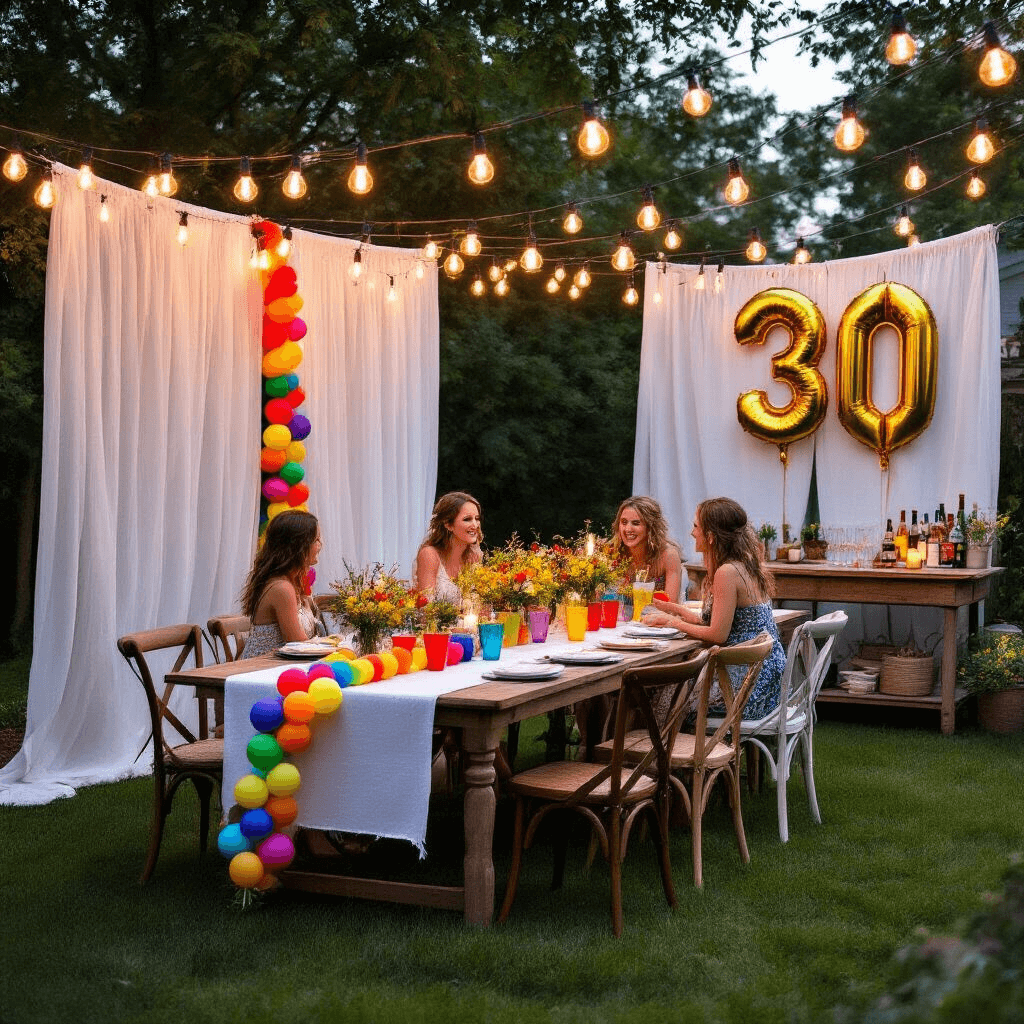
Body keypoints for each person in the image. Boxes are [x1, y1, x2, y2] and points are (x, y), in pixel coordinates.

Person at [642, 496, 785, 719]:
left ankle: (656, 751)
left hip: (745, 686)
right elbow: (721, 622)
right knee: (661, 688)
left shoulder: (727, 572)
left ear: (710, 536)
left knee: (654, 694)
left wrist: (671, 621)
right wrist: (676, 610)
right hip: (763, 676)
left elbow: (717, 634)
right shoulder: (743, 563)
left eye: (696, 526)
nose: (692, 532)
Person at [239, 509, 324, 658]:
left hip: (282, 667)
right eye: (316, 540)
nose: (320, 545)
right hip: (259, 671)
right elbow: (297, 644)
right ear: (299, 546)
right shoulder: (281, 588)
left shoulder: (291, 582)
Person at [609, 495, 682, 603]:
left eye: (636, 523)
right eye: (624, 522)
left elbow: (671, 606)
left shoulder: (668, 555)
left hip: (657, 618)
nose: (628, 529)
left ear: (650, 527)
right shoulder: (611, 553)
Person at [414, 491, 483, 604]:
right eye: (467, 519)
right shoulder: (430, 555)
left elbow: (481, 605)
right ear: (448, 524)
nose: (475, 525)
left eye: (477, 518)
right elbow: (425, 610)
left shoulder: (474, 556)